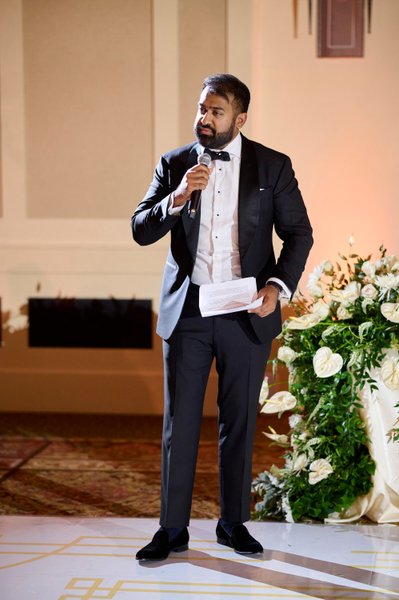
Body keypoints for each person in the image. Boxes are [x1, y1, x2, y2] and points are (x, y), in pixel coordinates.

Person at [131, 73, 313, 561]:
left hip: (245, 312)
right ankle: (172, 530)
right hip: (188, 310)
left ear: (240, 118)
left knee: (239, 422)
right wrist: (177, 199)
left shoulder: (273, 166)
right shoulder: (174, 165)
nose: (203, 119)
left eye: (215, 112)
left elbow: (299, 234)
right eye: (200, 109)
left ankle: (233, 523)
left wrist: (277, 288)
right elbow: (140, 229)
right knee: (180, 423)